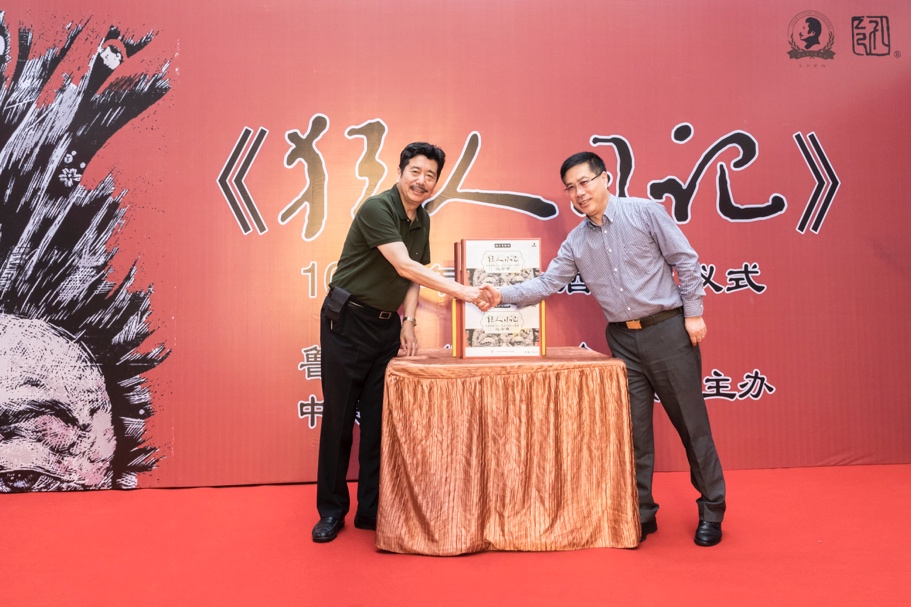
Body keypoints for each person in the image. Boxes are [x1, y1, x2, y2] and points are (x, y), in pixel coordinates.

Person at [480, 151, 726, 547]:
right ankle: (641, 513)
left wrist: (694, 313)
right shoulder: (576, 241)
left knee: (692, 428)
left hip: (667, 331)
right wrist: (500, 295)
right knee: (634, 434)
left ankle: (712, 510)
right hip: (622, 342)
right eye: (570, 188)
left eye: (585, 182)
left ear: (605, 178)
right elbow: (547, 283)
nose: (579, 193)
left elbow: (685, 260)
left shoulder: (644, 213)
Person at [312, 141, 491, 543]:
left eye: (430, 175)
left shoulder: (421, 219)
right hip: (347, 320)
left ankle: (371, 511)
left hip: (384, 327)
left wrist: (408, 321)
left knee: (378, 424)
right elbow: (403, 264)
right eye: (415, 171)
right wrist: (463, 292)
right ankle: (331, 511)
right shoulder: (377, 208)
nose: (422, 181)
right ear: (400, 172)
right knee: (340, 422)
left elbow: (413, 276)